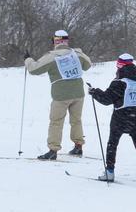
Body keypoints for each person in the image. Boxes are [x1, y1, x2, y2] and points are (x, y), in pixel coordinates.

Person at [87, 55, 136, 184]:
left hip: (121, 116)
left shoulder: (119, 82)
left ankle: (109, 172)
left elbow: (107, 100)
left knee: (112, 144)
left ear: (120, 66)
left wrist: (94, 92)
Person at [26, 30, 92, 161]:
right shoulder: (77, 54)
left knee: (56, 122)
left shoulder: (52, 56)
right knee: (76, 120)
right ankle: (78, 146)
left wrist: (28, 59)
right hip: (79, 93)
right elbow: (88, 65)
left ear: (55, 41)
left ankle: (53, 150)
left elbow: (34, 69)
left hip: (61, 95)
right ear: (67, 40)